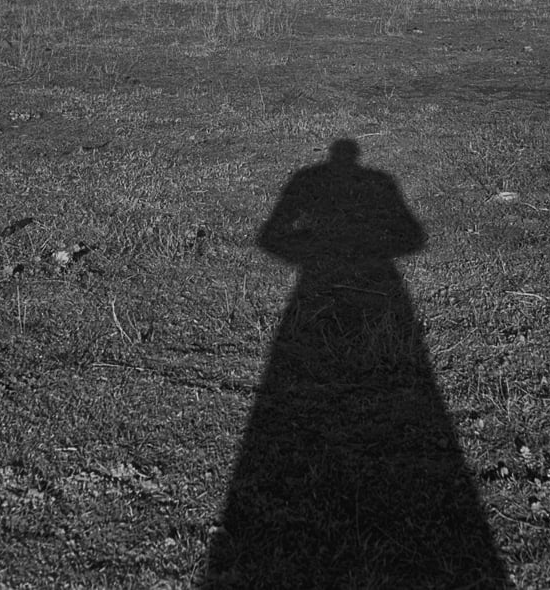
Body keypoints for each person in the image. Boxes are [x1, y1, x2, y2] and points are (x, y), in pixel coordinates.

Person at [203, 139, 508, 588]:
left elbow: (271, 237)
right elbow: (414, 237)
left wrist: (309, 253)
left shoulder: (316, 180)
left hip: (322, 283)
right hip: (376, 282)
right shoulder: (372, 181)